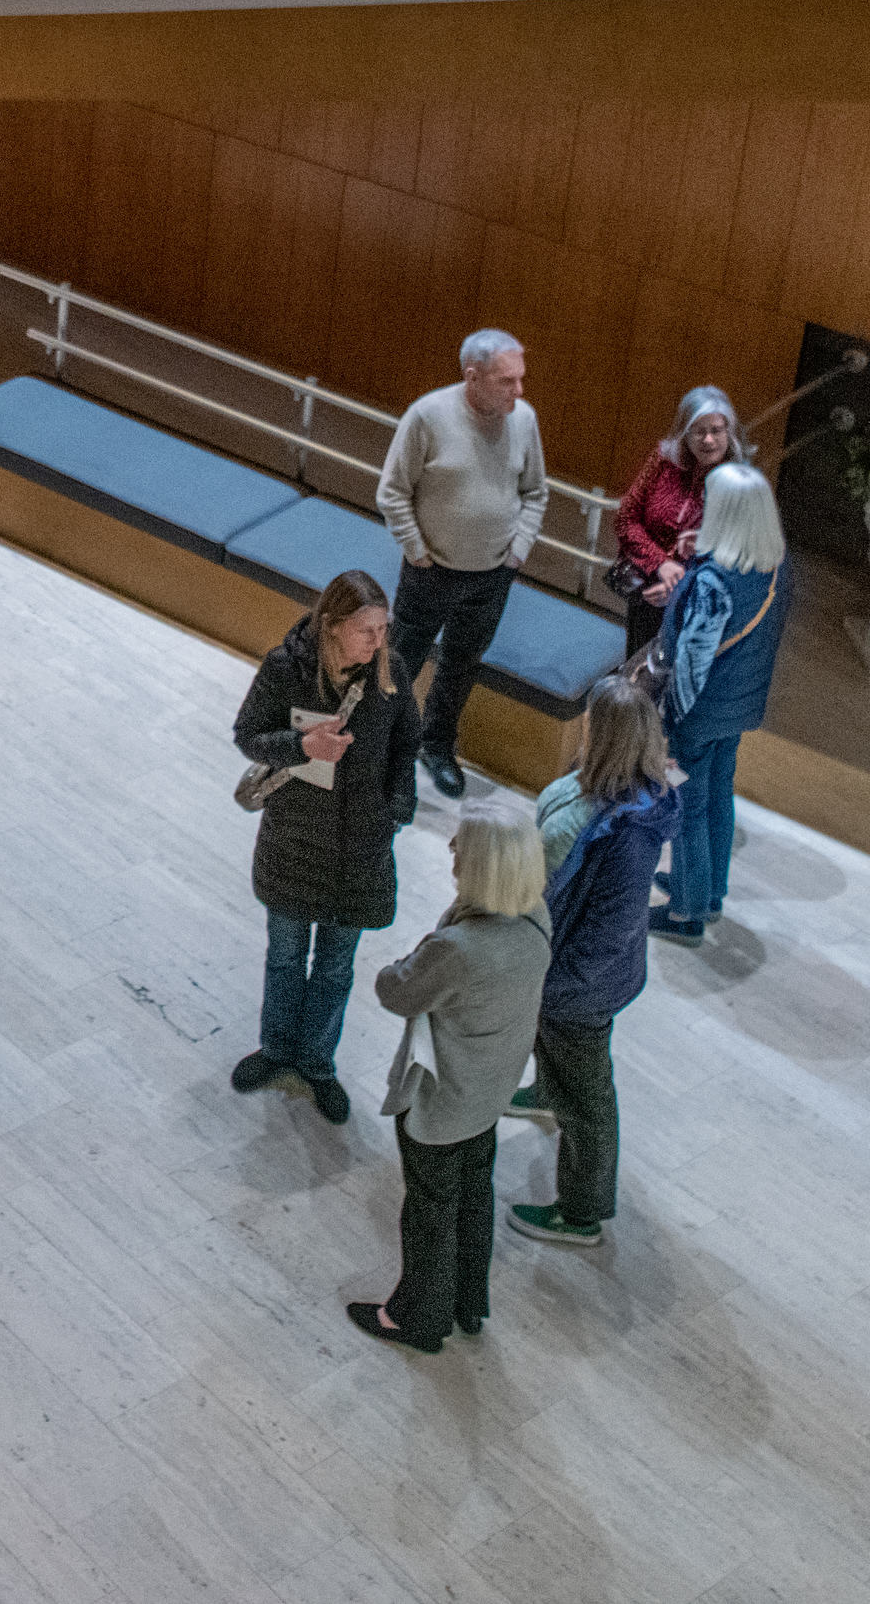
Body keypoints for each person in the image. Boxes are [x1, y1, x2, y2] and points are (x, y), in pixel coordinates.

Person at [228, 566, 424, 1120]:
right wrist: (301, 744)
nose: (380, 641)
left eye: (384, 630)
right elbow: (247, 735)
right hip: (295, 839)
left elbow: (408, 741)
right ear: (334, 626)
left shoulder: (390, 671)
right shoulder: (285, 668)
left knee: (336, 965)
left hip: (361, 846)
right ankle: (276, 1050)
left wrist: (395, 814)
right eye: (369, 630)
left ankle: (316, 1063)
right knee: (286, 957)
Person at [351, 813, 550, 1353]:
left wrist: (412, 954)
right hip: (490, 1091)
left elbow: (396, 991)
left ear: (483, 865)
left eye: (464, 845)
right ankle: (467, 1303)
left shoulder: (460, 948)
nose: (451, 846)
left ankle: (417, 1317)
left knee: (429, 1211)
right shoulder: (534, 917)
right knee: (472, 1197)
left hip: (444, 1098)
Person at [510, 674, 681, 1246]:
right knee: (563, 1063)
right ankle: (546, 1092)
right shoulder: (602, 798)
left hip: (580, 987)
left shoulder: (627, 836)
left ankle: (581, 1213)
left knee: (589, 1100)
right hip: (559, 971)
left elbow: (610, 932)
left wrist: (555, 986)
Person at [376, 327, 547, 799]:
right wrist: (417, 550)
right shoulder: (427, 417)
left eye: (520, 379)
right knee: (401, 663)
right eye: (507, 381)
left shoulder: (524, 419)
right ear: (473, 377)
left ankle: (436, 746)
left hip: (493, 574)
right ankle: (387, 751)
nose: (519, 391)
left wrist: (519, 551)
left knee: (461, 665)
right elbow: (392, 492)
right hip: (431, 571)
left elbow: (535, 492)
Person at [649, 459, 791, 947]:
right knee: (717, 796)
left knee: (687, 803)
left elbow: (692, 662)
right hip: (740, 706)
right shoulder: (773, 565)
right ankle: (709, 889)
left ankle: (687, 910)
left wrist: (670, 721)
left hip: (700, 712)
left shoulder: (714, 582)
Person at [609, 384, 740, 649]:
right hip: (646, 590)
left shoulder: (738, 484)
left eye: (716, 430)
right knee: (638, 670)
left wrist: (679, 588)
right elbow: (626, 519)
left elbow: (732, 561)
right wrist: (661, 565)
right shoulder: (662, 461)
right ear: (684, 432)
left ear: (729, 433)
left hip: (696, 611)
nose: (708, 440)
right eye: (699, 431)